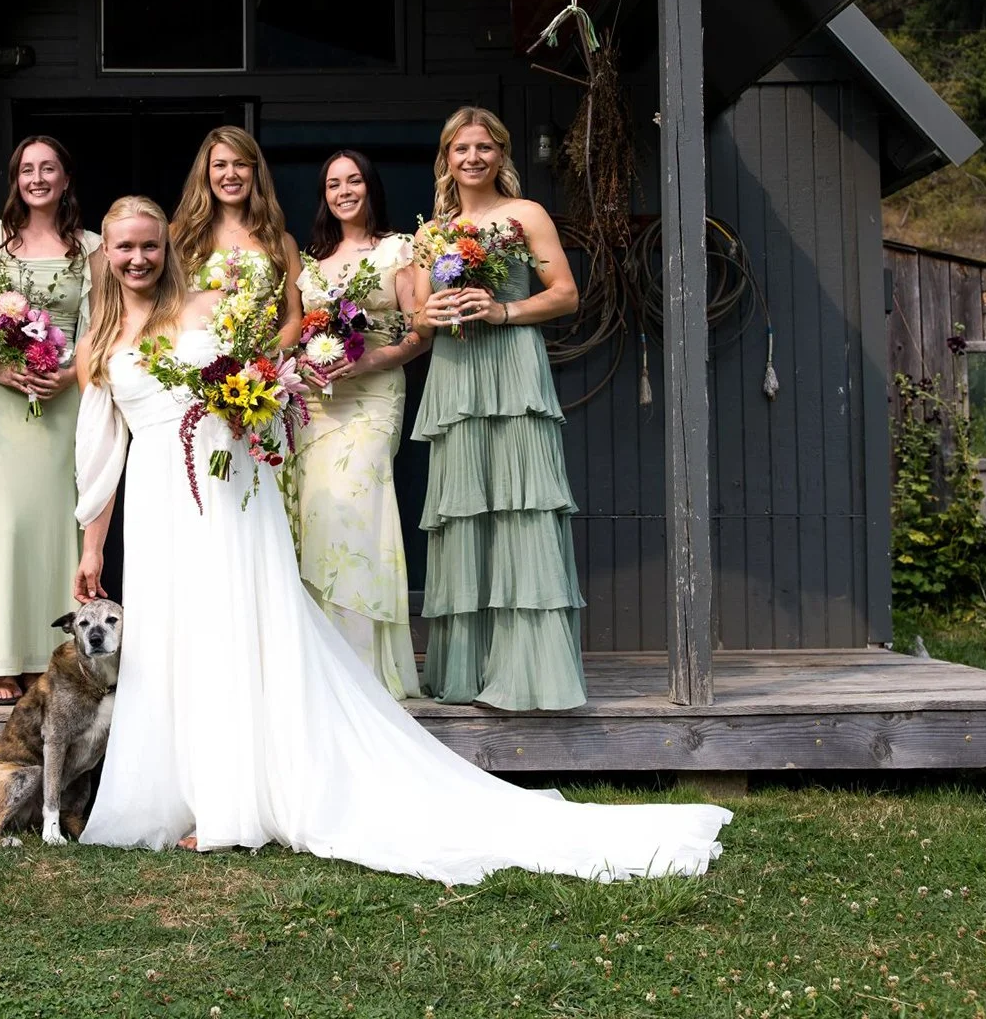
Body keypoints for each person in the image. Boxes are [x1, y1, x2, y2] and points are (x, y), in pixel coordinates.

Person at [69, 196, 730, 884]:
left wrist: (249, 411)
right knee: (180, 641)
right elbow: (101, 455)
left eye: (150, 246)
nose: (139, 259)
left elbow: (266, 388)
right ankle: (182, 791)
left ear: (167, 249)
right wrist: (92, 549)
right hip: (159, 502)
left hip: (231, 492)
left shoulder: (207, 308)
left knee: (238, 633)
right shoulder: (98, 346)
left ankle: (234, 803)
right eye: (125, 249)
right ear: (106, 258)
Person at [411, 106, 587, 712]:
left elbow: (565, 293)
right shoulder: (432, 232)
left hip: (512, 364)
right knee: (465, 512)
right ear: (447, 158)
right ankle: (466, 671)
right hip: (457, 373)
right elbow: (417, 316)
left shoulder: (525, 215)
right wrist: (426, 315)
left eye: (484, 147)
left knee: (519, 504)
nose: (472, 158)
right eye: (461, 149)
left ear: (501, 155)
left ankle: (527, 671)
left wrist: (505, 310)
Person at [0, 136, 101, 704]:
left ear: (65, 179)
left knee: (59, 522)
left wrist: (67, 376)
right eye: (27, 169)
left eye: (49, 169)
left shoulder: (90, 247)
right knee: (6, 523)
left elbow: (101, 325)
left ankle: (55, 657)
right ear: (16, 178)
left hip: (63, 396)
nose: (37, 178)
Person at [291, 150, 427, 698]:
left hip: (372, 394)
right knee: (318, 512)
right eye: (332, 183)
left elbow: (421, 334)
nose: (343, 190)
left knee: (359, 510)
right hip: (317, 403)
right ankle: (324, 663)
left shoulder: (400, 250)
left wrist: (366, 361)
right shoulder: (310, 263)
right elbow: (296, 332)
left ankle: (364, 663)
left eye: (353, 181)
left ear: (370, 187)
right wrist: (306, 364)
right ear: (324, 195)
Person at [170, 125, 302, 348]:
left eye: (240, 164)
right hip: (192, 370)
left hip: (260, 374)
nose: (230, 174)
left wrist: (264, 365)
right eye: (220, 165)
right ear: (206, 172)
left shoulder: (281, 241)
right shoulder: (178, 235)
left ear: (255, 172)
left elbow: (293, 319)